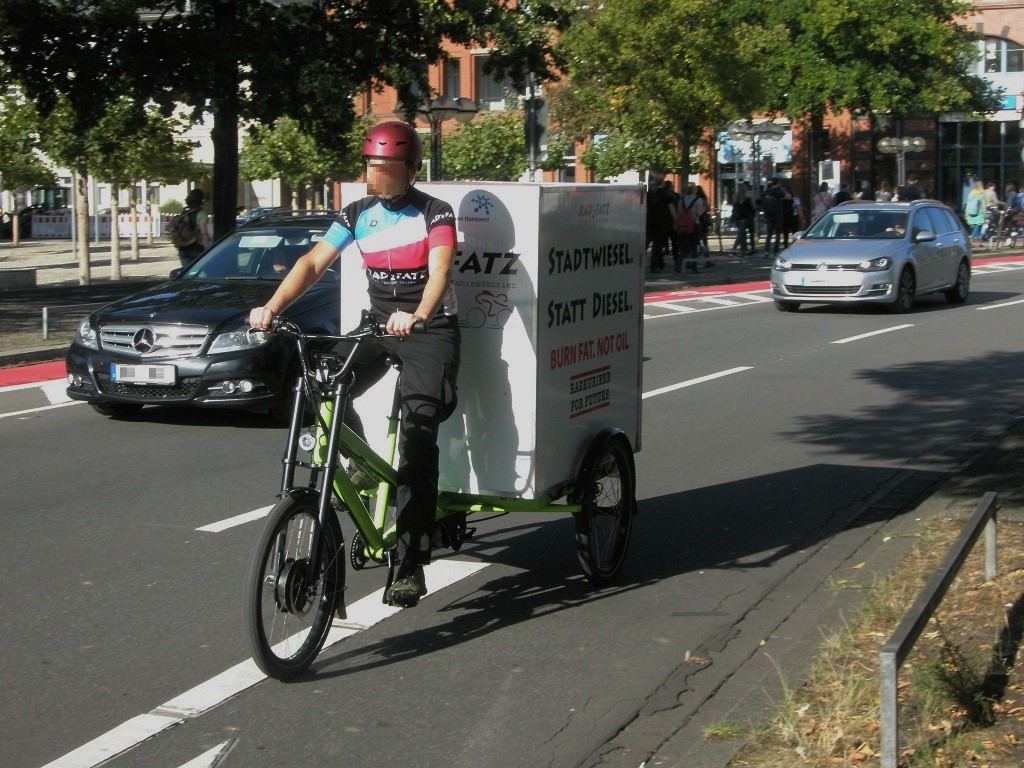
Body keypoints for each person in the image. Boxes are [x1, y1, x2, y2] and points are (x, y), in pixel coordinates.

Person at [249, 121, 461, 608]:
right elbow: (311, 263)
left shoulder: (436, 212)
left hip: (428, 330)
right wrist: (272, 307)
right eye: (370, 165)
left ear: (410, 169)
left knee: (418, 434)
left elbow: (441, 270)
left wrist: (420, 314)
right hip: (376, 326)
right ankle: (359, 464)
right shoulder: (357, 212)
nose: (375, 174)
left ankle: (409, 562)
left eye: (385, 167)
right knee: (319, 381)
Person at [177, 189, 211, 267]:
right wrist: (207, 249)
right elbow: (203, 233)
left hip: (183, 249)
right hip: (197, 248)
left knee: (187, 274)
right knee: (204, 272)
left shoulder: (184, 211)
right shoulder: (201, 213)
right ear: (201, 199)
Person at [759, 178, 785, 256]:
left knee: (769, 235)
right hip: (777, 215)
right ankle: (775, 251)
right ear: (777, 183)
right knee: (777, 235)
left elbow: (762, 204)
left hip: (769, 216)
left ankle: (766, 251)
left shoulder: (766, 192)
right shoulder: (779, 191)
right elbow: (788, 197)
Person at [730, 185, 755, 256]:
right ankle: (733, 250)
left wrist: (732, 220)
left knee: (742, 235)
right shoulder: (747, 200)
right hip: (745, 219)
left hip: (737, 220)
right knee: (740, 235)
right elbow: (751, 210)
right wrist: (753, 215)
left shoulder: (736, 201)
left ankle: (744, 251)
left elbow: (734, 212)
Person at [963, 179, 986, 244]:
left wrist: (966, 213)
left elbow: (968, 203)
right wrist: (985, 214)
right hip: (979, 212)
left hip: (972, 212)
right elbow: (983, 205)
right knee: (978, 226)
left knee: (976, 226)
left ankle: (978, 242)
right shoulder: (981, 193)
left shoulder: (971, 193)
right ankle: (971, 238)